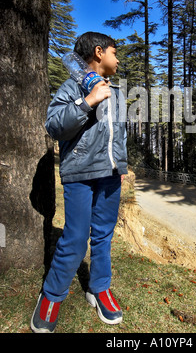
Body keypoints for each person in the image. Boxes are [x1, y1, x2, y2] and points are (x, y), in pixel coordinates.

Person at [31, 32, 128, 333]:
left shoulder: (119, 92)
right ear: (99, 52)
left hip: (111, 176)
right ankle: (52, 294)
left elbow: (119, 133)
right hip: (80, 175)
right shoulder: (71, 86)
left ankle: (99, 288)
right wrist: (87, 101)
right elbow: (53, 125)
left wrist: (121, 164)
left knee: (103, 235)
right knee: (74, 237)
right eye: (114, 51)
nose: (117, 58)